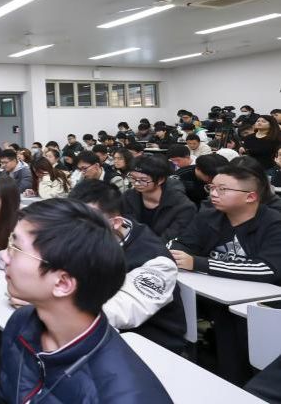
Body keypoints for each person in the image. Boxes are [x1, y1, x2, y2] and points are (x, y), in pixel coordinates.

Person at [0, 199, 172, 403]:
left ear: (62, 283)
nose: (4, 257)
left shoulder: (127, 396)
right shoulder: (22, 321)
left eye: (16, 248)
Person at [169, 164, 281, 384]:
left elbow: (268, 269)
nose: (213, 193)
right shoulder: (209, 216)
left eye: (222, 189)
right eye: (211, 187)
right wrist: (179, 254)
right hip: (218, 296)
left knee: (234, 327)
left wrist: (199, 263)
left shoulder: (273, 224)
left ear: (250, 196)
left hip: (261, 301)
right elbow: (183, 244)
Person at [69, 180, 186, 353]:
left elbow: (123, 311)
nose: (73, 229)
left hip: (149, 346)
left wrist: (55, 309)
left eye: (84, 223)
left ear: (115, 222)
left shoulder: (157, 261)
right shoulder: (86, 239)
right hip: (95, 333)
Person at [121, 155, 196, 242]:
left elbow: (171, 236)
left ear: (160, 180)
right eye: (133, 178)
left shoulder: (183, 206)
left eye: (144, 180)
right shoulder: (128, 196)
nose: (137, 183)